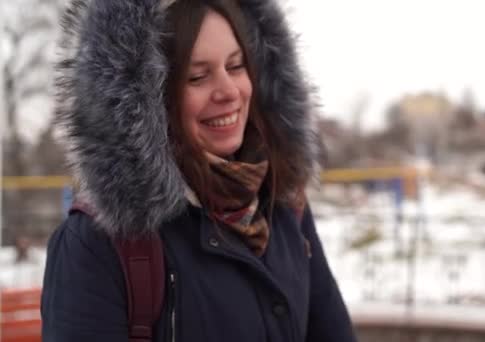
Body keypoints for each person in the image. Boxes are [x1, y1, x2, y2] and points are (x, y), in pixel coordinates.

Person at [41, 0, 357, 341]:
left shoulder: (284, 203)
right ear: (150, 98)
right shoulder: (98, 244)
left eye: (236, 66)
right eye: (197, 76)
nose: (229, 91)